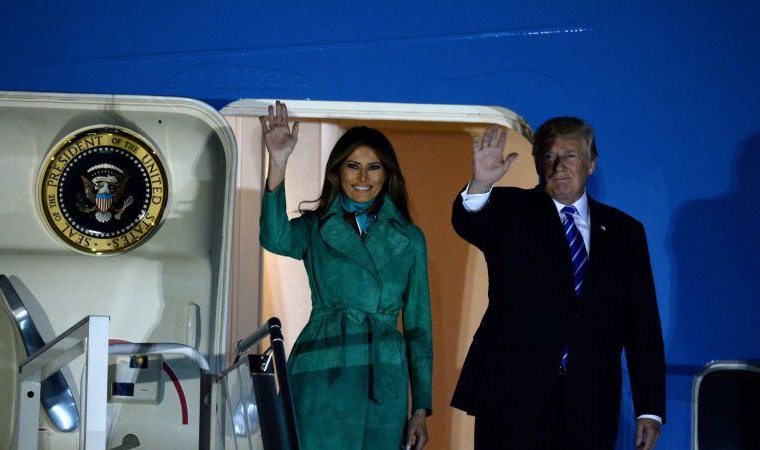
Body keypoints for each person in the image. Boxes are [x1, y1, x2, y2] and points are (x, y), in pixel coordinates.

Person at [450, 118, 665, 450]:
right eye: (549, 156)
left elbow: (642, 324)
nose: (559, 166)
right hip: (512, 400)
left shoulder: (626, 232)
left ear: (591, 163)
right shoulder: (510, 210)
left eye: (571, 156)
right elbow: (470, 221)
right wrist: (479, 184)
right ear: (538, 163)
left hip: (590, 405)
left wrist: (649, 408)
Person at [258, 101, 432, 450]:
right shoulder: (316, 227)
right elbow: (274, 237)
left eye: (374, 168)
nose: (363, 178)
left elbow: (418, 327)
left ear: (387, 174)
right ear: (337, 172)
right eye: (353, 166)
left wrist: (421, 409)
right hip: (321, 369)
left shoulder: (410, 239)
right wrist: (278, 163)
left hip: (382, 377)